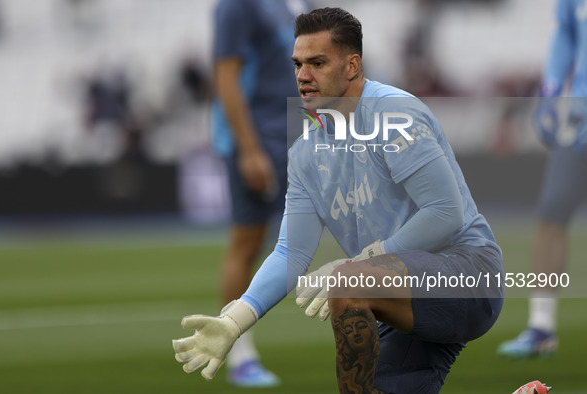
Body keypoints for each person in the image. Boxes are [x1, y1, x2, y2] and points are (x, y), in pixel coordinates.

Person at [174, 7, 504, 393]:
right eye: (297, 63)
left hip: (468, 273)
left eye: (317, 63)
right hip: (398, 290)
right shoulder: (304, 153)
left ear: (352, 66)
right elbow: (289, 254)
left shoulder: (393, 114)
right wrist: (235, 321)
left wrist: (361, 262)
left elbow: (446, 214)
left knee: (347, 283)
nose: (302, 75)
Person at [209, 0, 309, 387]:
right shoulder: (237, 6)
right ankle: (239, 352)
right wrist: (248, 149)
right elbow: (226, 76)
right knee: (248, 241)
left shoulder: (298, 3)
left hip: (299, 133)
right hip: (258, 139)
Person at [497, 0, 587, 359]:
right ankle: (541, 328)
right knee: (551, 213)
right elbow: (566, 31)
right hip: (579, 118)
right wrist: (550, 92)